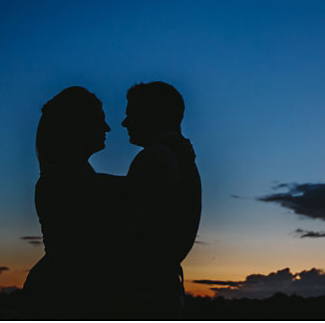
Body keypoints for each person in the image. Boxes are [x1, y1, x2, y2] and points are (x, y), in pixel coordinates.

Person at [102, 81, 202, 318]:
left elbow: (127, 229)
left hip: (144, 299)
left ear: (155, 113)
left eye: (132, 113)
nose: (125, 122)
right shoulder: (181, 157)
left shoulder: (155, 157)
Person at [22, 86, 114, 319]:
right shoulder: (67, 179)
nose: (107, 128)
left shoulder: (70, 176)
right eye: (100, 120)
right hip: (64, 297)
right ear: (78, 125)